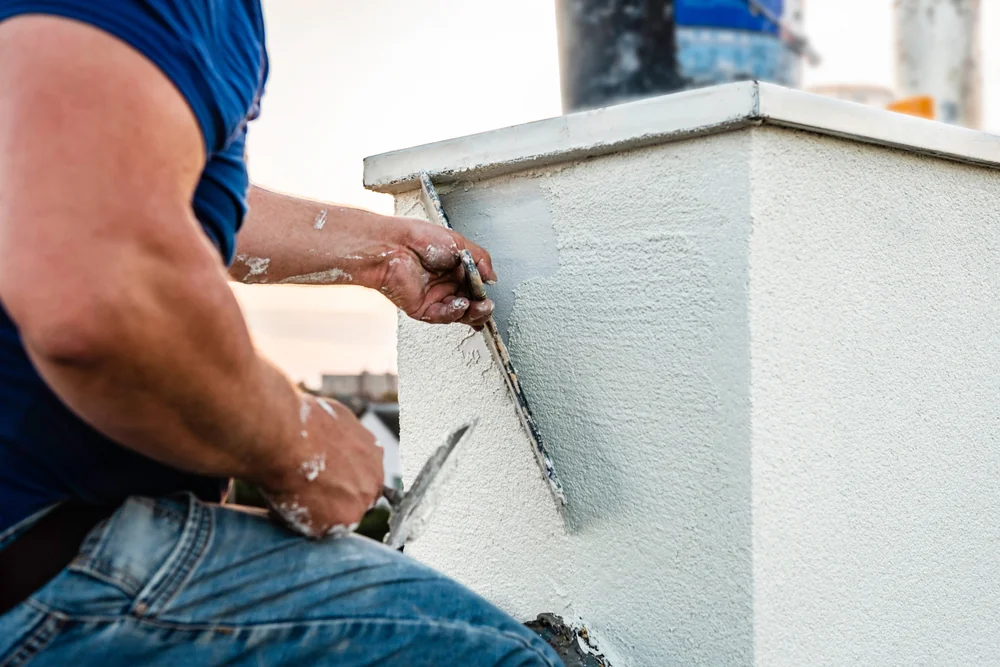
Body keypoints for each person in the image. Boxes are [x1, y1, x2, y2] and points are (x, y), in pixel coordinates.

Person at [0, 3, 562, 665]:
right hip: (48, 570)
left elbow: (115, 181)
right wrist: (298, 447)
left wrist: (379, 253)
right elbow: (91, 291)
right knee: (504, 654)